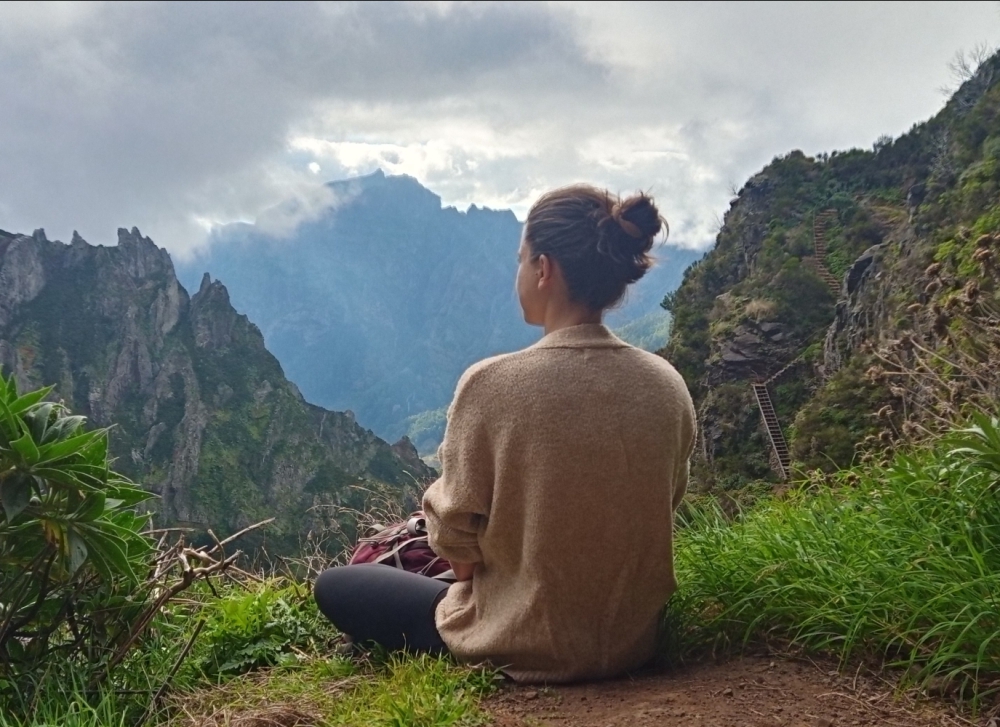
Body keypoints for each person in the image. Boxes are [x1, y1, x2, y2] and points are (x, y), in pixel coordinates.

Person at [314, 184, 696, 683]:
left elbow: (460, 556)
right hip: (631, 641)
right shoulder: (667, 385)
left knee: (338, 585)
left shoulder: (491, 384)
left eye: (521, 260)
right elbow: (663, 503)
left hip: (520, 640)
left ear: (544, 269)